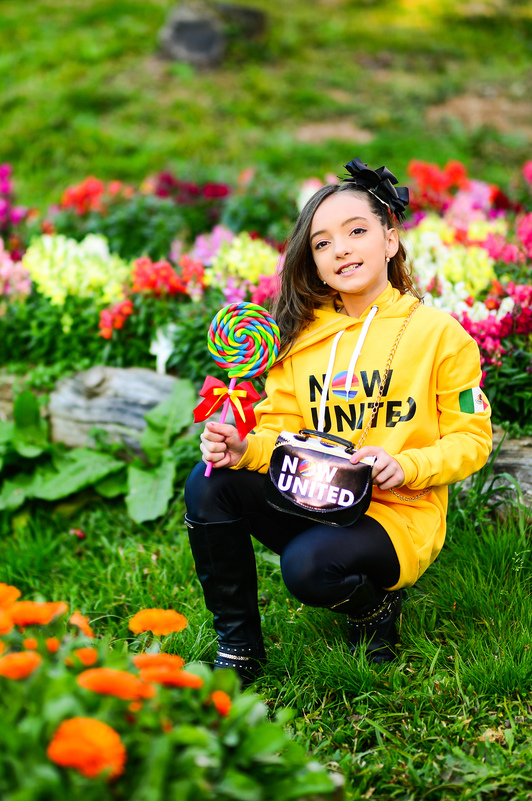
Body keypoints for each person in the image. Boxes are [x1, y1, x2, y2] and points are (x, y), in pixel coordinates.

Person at [183, 159, 492, 686]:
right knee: (208, 484)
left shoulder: (440, 335)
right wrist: (243, 450)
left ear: (390, 240)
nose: (341, 249)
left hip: (396, 512)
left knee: (306, 569)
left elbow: (472, 438)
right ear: (315, 264)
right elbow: (278, 429)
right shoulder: (298, 338)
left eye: (356, 232)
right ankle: (238, 646)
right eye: (322, 244)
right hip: (311, 491)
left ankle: (375, 611)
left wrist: (407, 463)